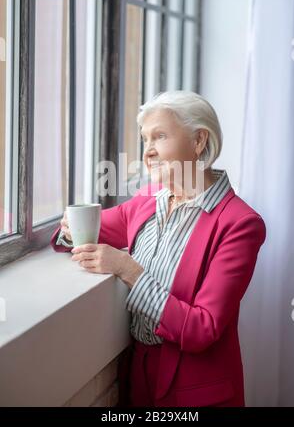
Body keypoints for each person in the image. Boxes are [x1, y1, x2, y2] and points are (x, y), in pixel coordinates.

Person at [50, 91, 266, 407]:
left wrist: (127, 269)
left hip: (195, 391)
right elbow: (73, 232)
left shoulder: (240, 223)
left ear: (199, 141)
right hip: (138, 378)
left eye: (159, 136)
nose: (147, 151)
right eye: (145, 139)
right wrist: (71, 227)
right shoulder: (147, 201)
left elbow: (201, 329)